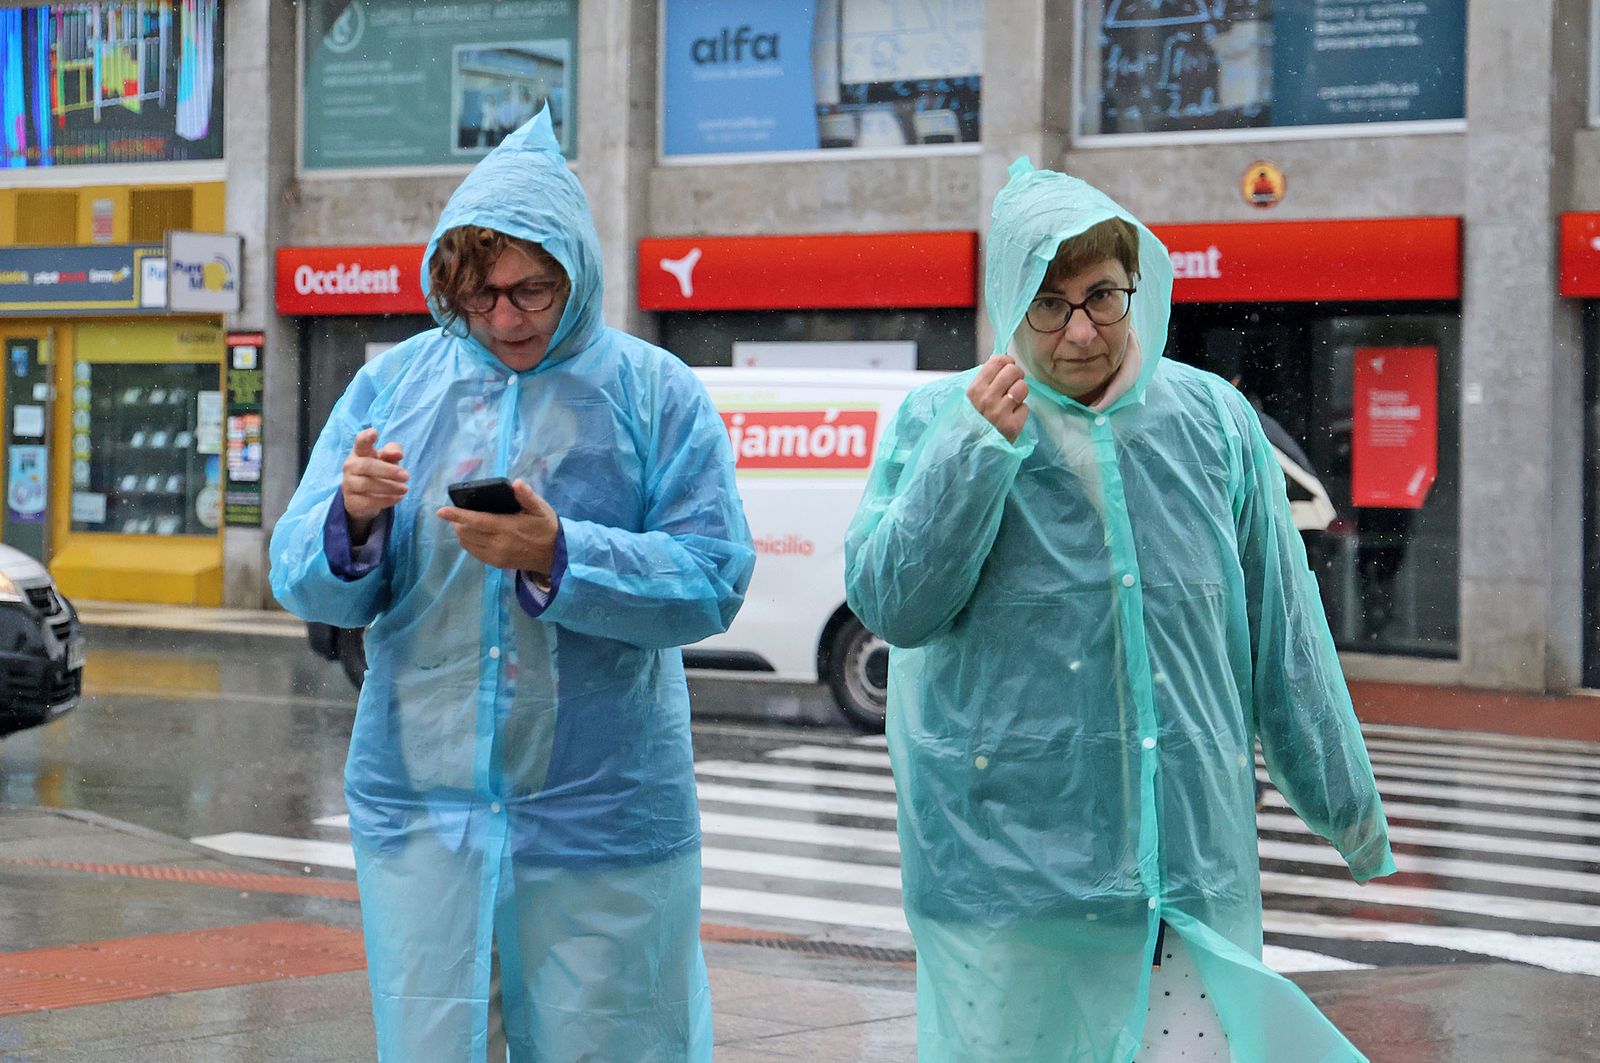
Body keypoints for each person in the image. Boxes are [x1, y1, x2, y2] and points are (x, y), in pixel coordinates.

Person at [845, 158, 1394, 1062]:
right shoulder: (943, 418)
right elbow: (896, 603)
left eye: (1103, 295)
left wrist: (1349, 810)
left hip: (1181, 876)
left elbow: (1285, 634)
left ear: (1138, 285)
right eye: (1047, 302)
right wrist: (972, 452)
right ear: (1008, 301)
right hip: (1005, 887)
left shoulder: (1213, 422)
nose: (1081, 329)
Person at [269, 108, 754, 1062]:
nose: (506, 318)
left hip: (603, 811)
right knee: (432, 1037)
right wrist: (352, 519)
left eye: (533, 291)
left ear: (577, 273)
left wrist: (559, 552)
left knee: (611, 1044)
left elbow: (711, 577)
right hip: (425, 809)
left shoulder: (656, 394)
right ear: (447, 283)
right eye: (481, 293)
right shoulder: (392, 387)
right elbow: (305, 580)